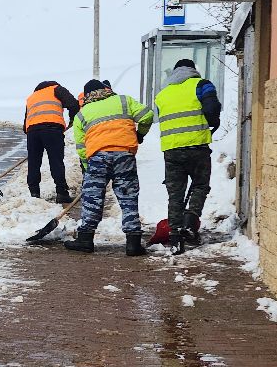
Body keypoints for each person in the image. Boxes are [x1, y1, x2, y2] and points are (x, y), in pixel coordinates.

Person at [63, 79, 154, 256]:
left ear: (87, 96)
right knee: (128, 197)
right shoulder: (123, 101)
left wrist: (88, 168)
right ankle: (133, 243)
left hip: (97, 157)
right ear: (106, 90)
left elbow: (82, 148)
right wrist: (139, 135)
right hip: (124, 155)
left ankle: (85, 239)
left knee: (92, 197)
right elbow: (147, 115)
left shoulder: (82, 114)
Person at [154, 58, 222, 254]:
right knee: (200, 185)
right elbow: (212, 108)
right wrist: (213, 122)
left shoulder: (162, 94)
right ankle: (190, 222)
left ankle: (175, 237)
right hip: (197, 147)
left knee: (175, 194)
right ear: (193, 70)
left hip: (171, 150)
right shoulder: (202, 84)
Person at [21, 80, 79, 203]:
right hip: (52, 129)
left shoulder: (31, 97)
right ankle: (62, 193)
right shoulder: (56, 89)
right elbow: (74, 104)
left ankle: (34, 193)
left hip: (32, 131)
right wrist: (72, 121)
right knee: (56, 161)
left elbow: (26, 121)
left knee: (34, 162)